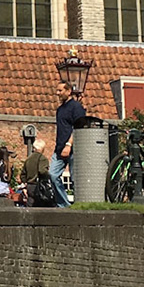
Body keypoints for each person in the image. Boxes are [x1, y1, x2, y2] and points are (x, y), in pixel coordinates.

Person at [53, 79, 87, 208]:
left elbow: (78, 127)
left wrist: (69, 145)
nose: (57, 93)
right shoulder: (60, 109)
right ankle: (64, 204)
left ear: (68, 91)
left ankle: (79, 205)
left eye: (60, 90)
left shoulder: (76, 107)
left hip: (73, 149)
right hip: (59, 149)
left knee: (75, 178)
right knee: (53, 175)